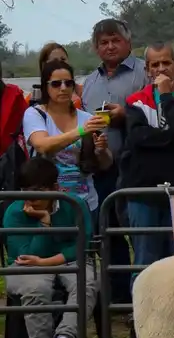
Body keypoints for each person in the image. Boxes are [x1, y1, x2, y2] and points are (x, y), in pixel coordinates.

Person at [120, 43, 174, 288]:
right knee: (144, 261)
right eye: (155, 64)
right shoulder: (136, 101)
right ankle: (140, 321)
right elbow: (138, 139)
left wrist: (167, 97)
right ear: (148, 69)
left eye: (166, 63)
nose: (161, 69)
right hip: (143, 191)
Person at [80, 18, 148, 308]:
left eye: (114, 40)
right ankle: (119, 296)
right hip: (103, 168)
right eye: (103, 42)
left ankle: (145, 294)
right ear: (96, 48)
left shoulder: (144, 74)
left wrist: (127, 114)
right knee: (109, 231)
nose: (109, 46)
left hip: (139, 166)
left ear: (128, 42)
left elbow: (157, 115)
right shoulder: (90, 83)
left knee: (140, 232)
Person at [4, 156, 94, 338]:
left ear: (55, 187)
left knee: (86, 283)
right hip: (26, 266)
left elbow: (83, 243)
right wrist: (44, 221)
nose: (32, 197)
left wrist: (48, 261)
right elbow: (25, 254)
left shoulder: (75, 204)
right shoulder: (14, 211)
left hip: (66, 261)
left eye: (39, 190)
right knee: (36, 288)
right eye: (27, 190)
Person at [23, 60, 111, 220]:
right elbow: (42, 145)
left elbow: (105, 164)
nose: (63, 88)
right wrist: (81, 130)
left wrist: (102, 150)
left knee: (87, 244)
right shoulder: (35, 114)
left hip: (85, 202)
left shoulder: (87, 117)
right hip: (46, 203)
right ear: (45, 86)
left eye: (68, 83)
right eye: (56, 84)